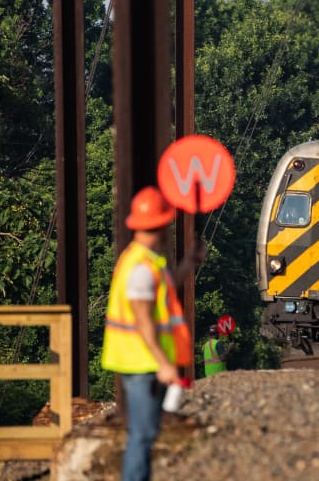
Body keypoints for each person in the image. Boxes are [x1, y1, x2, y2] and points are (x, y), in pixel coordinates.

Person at [101, 186, 203, 481]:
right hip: (142, 363)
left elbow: (166, 287)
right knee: (143, 434)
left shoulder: (142, 261)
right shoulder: (141, 269)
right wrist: (164, 363)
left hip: (141, 361)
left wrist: (189, 263)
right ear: (161, 226)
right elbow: (143, 321)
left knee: (145, 432)